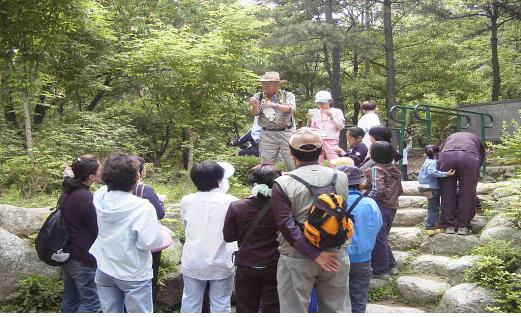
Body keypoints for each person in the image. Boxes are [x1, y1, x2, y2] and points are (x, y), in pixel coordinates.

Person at [271, 127, 351, 313]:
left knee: (294, 310)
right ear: (322, 150)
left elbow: (286, 225)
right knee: (337, 309)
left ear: (291, 154)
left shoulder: (283, 183)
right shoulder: (340, 177)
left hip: (296, 256)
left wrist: (314, 254)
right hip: (335, 253)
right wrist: (321, 254)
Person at [90, 152, 165, 313]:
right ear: (136, 178)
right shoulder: (142, 207)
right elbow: (150, 242)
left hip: (104, 266)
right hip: (133, 271)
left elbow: (107, 186)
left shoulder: (99, 196)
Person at [180, 161, 238, 313]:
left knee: (190, 302)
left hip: (193, 259)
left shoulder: (186, 200)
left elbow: (186, 227)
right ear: (220, 180)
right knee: (221, 304)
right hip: (222, 260)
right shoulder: (232, 201)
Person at [223, 164, 281, 313]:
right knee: (272, 306)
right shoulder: (282, 207)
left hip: (246, 263)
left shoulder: (237, 206)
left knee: (245, 307)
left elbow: (229, 237)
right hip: (274, 263)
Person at [59, 155, 102, 313]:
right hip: (83, 258)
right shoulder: (86, 198)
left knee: (70, 299)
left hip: (69, 254)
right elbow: (96, 229)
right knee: (91, 303)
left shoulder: (67, 193)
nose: (102, 172)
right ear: (91, 176)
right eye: (100, 170)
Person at [344, 166, 383, 313]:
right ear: (360, 183)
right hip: (363, 258)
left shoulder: (333, 203)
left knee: (337, 299)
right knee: (359, 299)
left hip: (338, 258)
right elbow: (378, 227)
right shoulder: (369, 203)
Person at [363, 141, 403, 278]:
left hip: (380, 206)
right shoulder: (394, 168)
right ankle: (391, 265)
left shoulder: (377, 169)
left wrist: (366, 200)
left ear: (375, 154)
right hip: (392, 206)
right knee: (382, 236)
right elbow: (400, 190)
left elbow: (377, 190)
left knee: (378, 237)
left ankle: (381, 270)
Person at [438, 132, 485, 235]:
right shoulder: (476, 138)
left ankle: (448, 225)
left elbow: (441, 151)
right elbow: (481, 157)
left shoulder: (450, 136)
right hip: (469, 157)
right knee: (468, 192)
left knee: (447, 191)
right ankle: (463, 226)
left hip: (447, 156)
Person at [132, 157, 166, 300]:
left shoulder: (106, 192)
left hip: (121, 244)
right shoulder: (144, 189)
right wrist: (160, 202)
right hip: (145, 239)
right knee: (150, 273)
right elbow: (160, 213)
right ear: (139, 172)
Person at [249, 71, 296, 170]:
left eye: (269, 83)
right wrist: (254, 106)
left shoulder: (287, 95)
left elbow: (291, 109)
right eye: (264, 83)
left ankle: (295, 183)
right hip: (267, 134)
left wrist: (274, 105)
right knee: (266, 166)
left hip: (286, 132)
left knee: (292, 162)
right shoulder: (259, 96)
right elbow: (254, 113)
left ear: (277, 84)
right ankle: (268, 184)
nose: (265, 85)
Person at [418, 145, 455, 236]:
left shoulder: (426, 161)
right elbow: (431, 172)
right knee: (433, 208)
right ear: (437, 153)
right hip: (431, 188)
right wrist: (446, 174)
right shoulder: (432, 162)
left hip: (424, 187)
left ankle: (431, 226)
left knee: (432, 206)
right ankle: (430, 228)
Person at [308, 90, 345, 166]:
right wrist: (309, 120)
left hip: (331, 140)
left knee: (334, 160)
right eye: (318, 103)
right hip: (318, 140)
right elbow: (312, 128)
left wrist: (331, 116)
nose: (320, 105)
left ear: (329, 101)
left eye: (323, 103)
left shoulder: (337, 111)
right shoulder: (316, 112)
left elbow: (341, 126)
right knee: (317, 160)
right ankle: (318, 175)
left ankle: (337, 175)